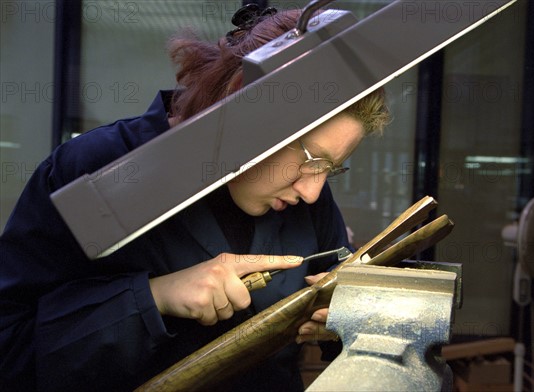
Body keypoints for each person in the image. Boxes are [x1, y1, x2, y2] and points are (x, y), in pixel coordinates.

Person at [0, 5, 390, 391]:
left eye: (331, 168)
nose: (313, 191)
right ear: (245, 111)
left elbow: (343, 320)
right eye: (310, 160)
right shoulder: (94, 169)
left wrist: (339, 324)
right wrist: (153, 298)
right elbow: (10, 353)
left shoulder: (309, 202)